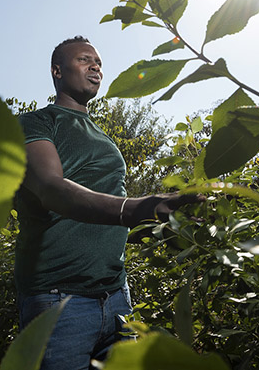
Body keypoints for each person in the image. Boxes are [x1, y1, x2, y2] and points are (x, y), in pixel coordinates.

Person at [14, 36, 202, 370]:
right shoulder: (36, 123)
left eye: (98, 62)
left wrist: (169, 222)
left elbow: (112, 219)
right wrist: (134, 208)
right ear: (57, 71)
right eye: (85, 60)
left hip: (116, 298)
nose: (95, 66)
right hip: (58, 300)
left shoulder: (105, 140)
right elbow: (50, 189)